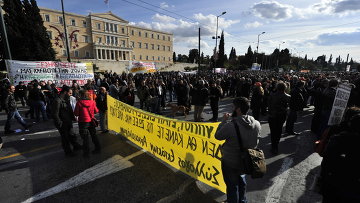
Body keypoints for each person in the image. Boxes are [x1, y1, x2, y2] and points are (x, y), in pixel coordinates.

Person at [215, 97, 261, 203]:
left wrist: (223, 121)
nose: (232, 109)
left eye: (233, 107)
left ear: (238, 109)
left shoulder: (230, 125)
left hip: (230, 162)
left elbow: (217, 136)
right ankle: (242, 201)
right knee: (242, 182)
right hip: (246, 160)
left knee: (232, 186)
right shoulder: (257, 124)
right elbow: (256, 142)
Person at [320, 107, 360, 203]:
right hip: (353, 189)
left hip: (333, 184)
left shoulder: (338, 137)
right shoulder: (340, 137)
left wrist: (323, 180)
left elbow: (326, 160)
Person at [52, 86, 82, 157]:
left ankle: (76, 146)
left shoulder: (66, 99)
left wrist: (73, 118)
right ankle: (68, 152)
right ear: (65, 92)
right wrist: (60, 124)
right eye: (70, 93)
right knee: (65, 138)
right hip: (62, 123)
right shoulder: (57, 101)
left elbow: (70, 109)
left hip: (68, 121)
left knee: (72, 134)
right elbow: (55, 114)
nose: (71, 95)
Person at [74, 89, 101, 158]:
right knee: (93, 135)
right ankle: (98, 149)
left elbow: (76, 113)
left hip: (83, 122)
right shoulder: (92, 102)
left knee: (85, 138)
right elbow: (96, 111)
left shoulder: (79, 103)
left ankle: (86, 153)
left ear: (81, 95)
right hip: (91, 121)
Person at [268, 82, 290, 154]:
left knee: (273, 132)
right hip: (281, 116)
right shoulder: (288, 97)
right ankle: (275, 146)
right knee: (278, 131)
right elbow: (289, 107)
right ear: (285, 88)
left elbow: (268, 105)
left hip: (272, 116)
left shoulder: (272, 95)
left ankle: (273, 146)